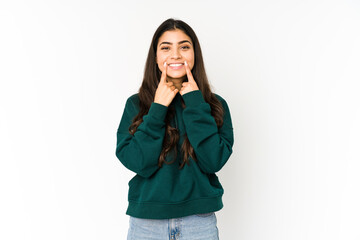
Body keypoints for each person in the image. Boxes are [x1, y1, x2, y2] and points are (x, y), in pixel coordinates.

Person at [115, 18, 234, 240]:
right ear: (156, 57)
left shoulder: (215, 105)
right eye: (166, 47)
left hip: (199, 222)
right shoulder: (136, 104)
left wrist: (196, 104)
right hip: (146, 223)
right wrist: (158, 107)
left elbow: (213, 161)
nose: (176, 55)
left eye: (184, 46)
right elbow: (138, 162)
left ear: (194, 54)